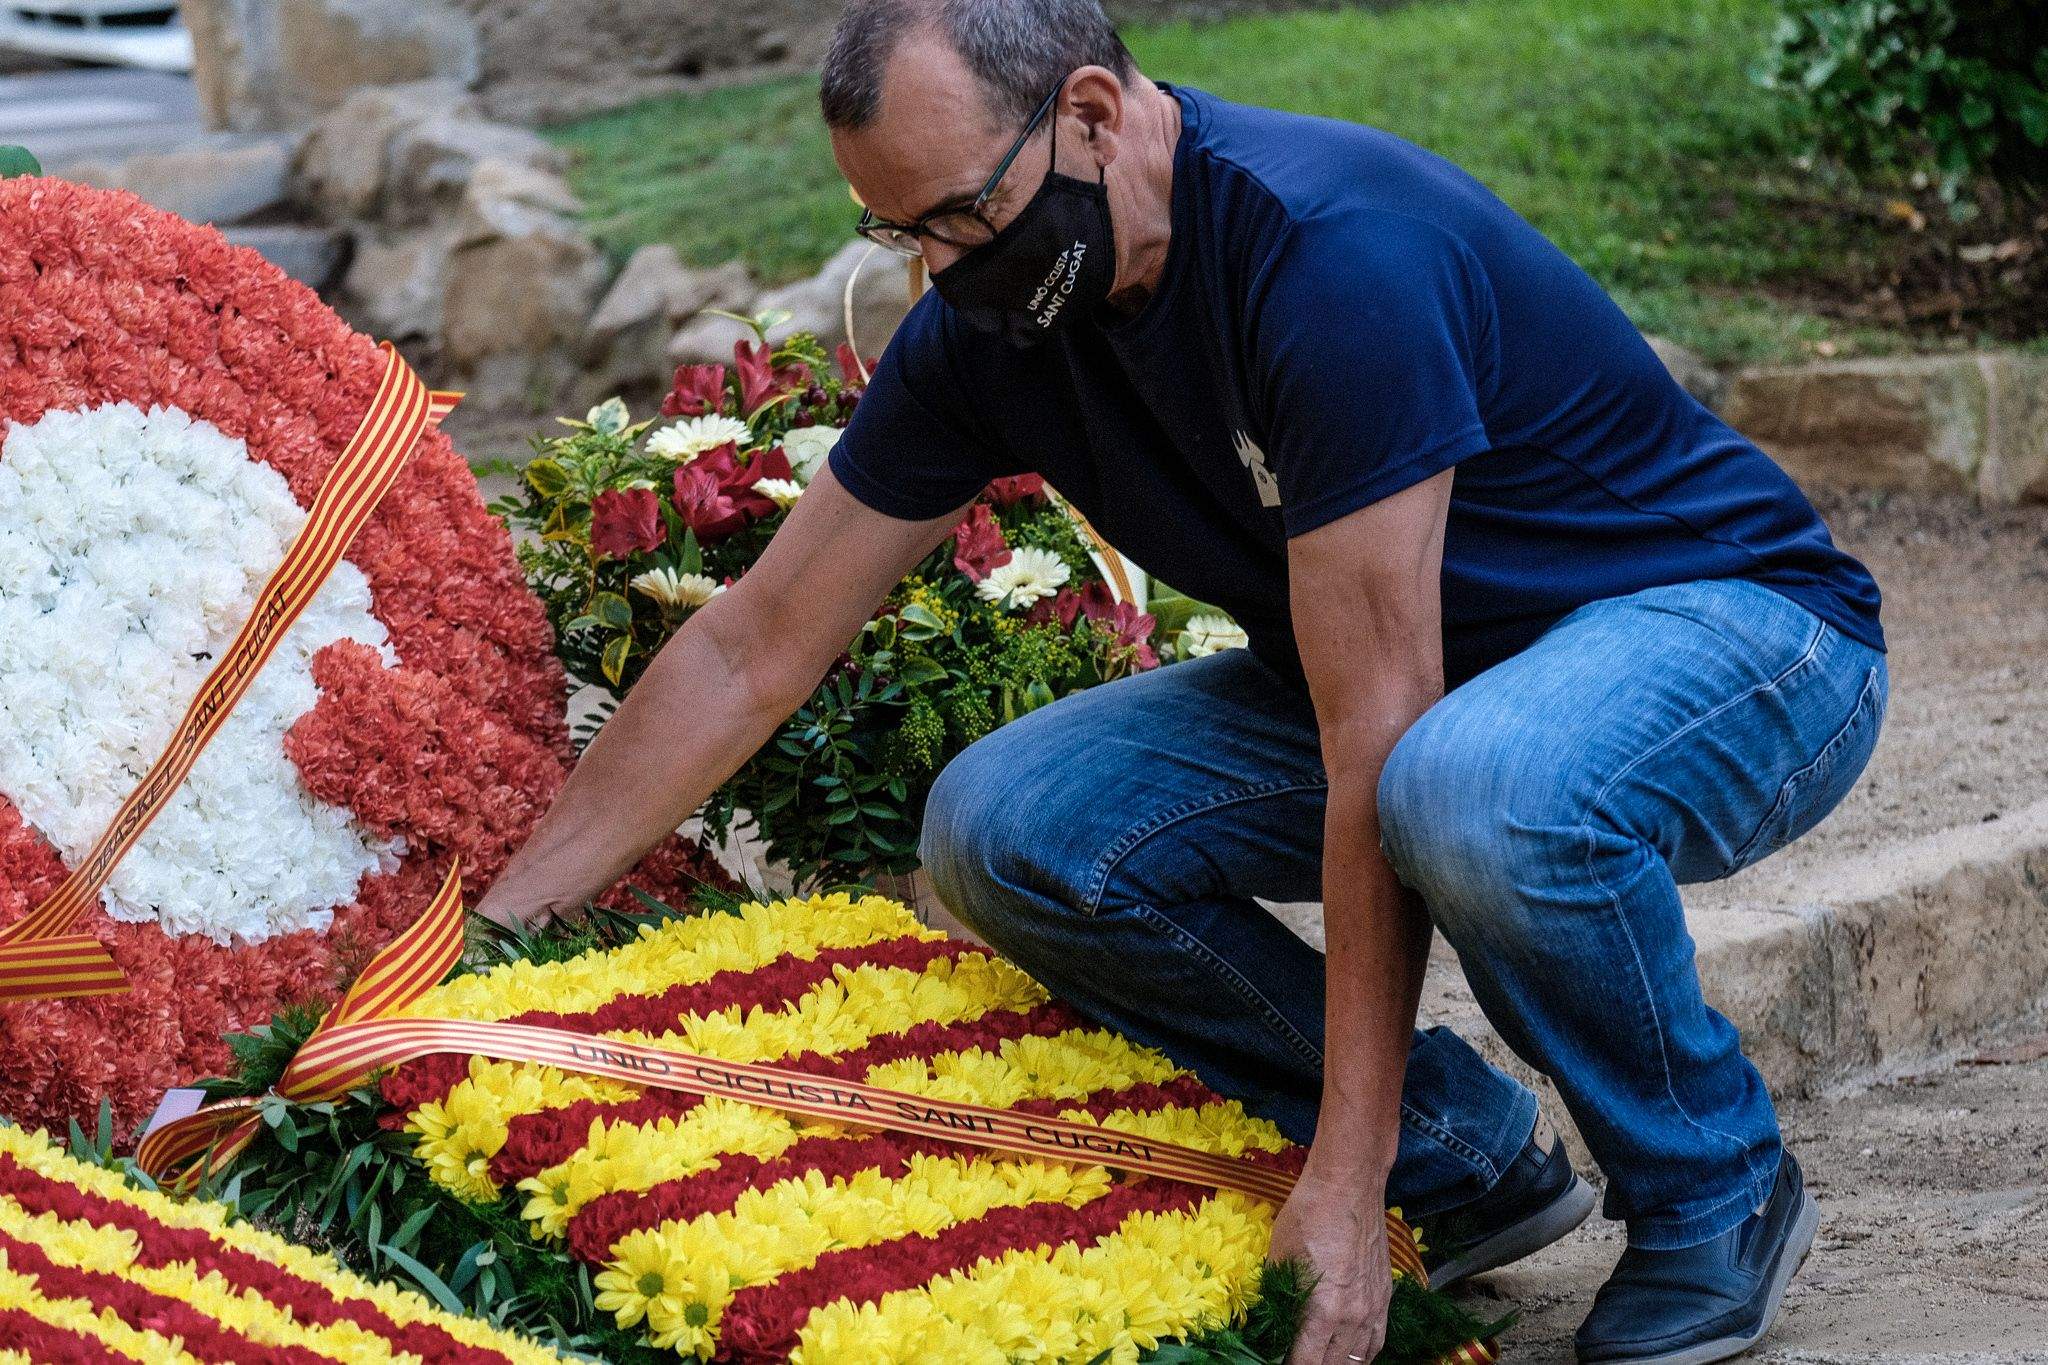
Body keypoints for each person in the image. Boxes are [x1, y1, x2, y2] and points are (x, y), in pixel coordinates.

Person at [473, 2, 1890, 1361]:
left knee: (1470, 787)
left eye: (960, 216)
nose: (935, 269)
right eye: (894, 228)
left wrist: (1343, 1168)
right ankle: (1467, 1164)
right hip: (1448, 695)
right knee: (1008, 828)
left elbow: (1374, 736)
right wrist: (496, 929)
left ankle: (1715, 1184)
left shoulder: (1329, 260)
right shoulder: (996, 326)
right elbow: (753, 643)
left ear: (1090, 111)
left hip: (1730, 632)